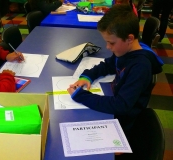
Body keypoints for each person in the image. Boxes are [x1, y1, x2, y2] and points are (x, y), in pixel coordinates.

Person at [67, 4, 163, 138]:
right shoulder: (125, 50)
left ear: (129, 39)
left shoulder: (140, 67)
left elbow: (121, 105)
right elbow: (108, 65)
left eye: (111, 43)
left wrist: (81, 96)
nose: (107, 47)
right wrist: (87, 76)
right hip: (116, 102)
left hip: (124, 123)